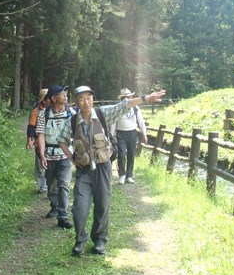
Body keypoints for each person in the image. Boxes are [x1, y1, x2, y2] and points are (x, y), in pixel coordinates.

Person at [57, 85, 165, 256]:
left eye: (89, 98)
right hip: (84, 171)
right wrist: (72, 158)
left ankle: (99, 241)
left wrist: (145, 98)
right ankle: (80, 240)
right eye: (81, 99)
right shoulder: (72, 121)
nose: (86, 102)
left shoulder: (102, 113)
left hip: (102, 168)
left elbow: (124, 105)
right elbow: (61, 140)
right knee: (79, 209)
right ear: (76, 102)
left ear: (92, 98)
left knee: (102, 205)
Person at [36, 85, 75, 229]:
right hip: (49, 156)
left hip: (65, 156)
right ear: (53, 98)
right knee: (52, 186)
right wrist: (41, 155)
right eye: (61, 94)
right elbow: (41, 134)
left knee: (64, 184)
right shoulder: (43, 114)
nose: (65, 96)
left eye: (65, 94)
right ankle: (55, 206)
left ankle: (63, 216)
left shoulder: (70, 113)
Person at [112, 88, 148, 185]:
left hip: (132, 133)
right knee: (121, 154)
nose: (127, 99)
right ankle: (122, 175)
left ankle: (129, 175)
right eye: (125, 97)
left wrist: (144, 133)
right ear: (122, 99)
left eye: (129, 97)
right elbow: (113, 122)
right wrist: (111, 136)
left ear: (132, 97)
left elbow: (141, 122)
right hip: (120, 133)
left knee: (131, 154)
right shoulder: (118, 108)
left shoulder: (136, 108)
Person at [26, 88, 50, 194]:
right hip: (39, 141)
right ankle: (42, 186)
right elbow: (31, 126)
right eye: (49, 98)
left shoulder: (55, 110)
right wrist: (29, 139)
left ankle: (51, 184)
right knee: (40, 164)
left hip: (52, 141)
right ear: (44, 100)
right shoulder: (36, 111)